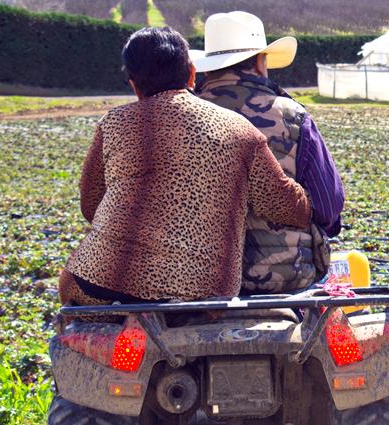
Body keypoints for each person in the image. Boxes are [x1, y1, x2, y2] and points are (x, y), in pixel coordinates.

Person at [58, 26, 311, 306]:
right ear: (192, 73)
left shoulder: (113, 123)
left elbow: (91, 204)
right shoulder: (240, 130)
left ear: (133, 84)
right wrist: (311, 208)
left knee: (72, 296)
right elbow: (283, 205)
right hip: (204, 295)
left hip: (103, 285)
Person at [191, 11, 345, 295]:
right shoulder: (293, 116)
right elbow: (329, 206)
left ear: (207, 66)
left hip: (199, 279)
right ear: (261, 63)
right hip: (286, 279)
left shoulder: (184, 115)